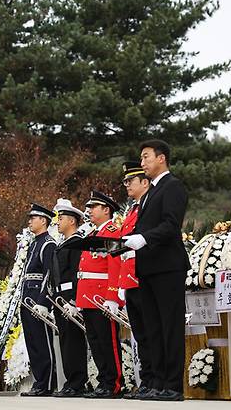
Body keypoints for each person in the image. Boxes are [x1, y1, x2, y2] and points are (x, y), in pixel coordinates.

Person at [122, 140, 189, 401]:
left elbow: (171, 225)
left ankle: (173, 386)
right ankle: (157, 383)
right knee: (153, 328)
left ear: (161, 158)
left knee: (169, 326)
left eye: (146, 157)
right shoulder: (150, 192)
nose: (143, 163)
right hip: (148, 268)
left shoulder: (173, 187)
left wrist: (144, 238)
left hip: (168, 267)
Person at [76, 191, 124, 399]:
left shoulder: (113, 231)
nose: (89, 211)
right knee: (95, 341)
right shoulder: (93, 234)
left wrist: (113, 296)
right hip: (88, 296)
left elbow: (115, 265)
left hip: (102, 296)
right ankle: (103, 381)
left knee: (108, 341)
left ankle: (113, 383)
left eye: (93, 207)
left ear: (106, 210)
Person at [117, 161, 154, 399]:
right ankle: (147, 381)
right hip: (130, 280)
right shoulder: (131, 210)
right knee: (140, 334)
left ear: (144, 182)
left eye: (131, 181)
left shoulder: (148, 208)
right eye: (125, 181)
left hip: (143, 278)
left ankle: (154, 381)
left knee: (151, 332)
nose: (127, 185)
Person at [51, 198, 89, 398]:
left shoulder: (76, 243)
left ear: (72, 221)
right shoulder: (62, 244)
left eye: (61, 218)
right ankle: (71, 381)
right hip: (59, 298)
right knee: (65, 341)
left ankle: (77, 382)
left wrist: (74, 300)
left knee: (73, 341)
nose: (57, 222)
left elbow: (77, 272)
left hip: (71, 300)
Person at [19, 203, 58, 397]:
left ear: (43, 220)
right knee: (32, 342)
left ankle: (47, 383)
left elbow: (50, 275)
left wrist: (44, 302)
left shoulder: (48, 243)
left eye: (33, 218)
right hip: (27, 298)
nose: (29, 221)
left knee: (42, 343)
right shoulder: (35, 242)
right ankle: (39, 382)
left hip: (38, 300)